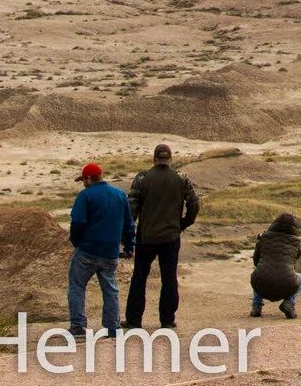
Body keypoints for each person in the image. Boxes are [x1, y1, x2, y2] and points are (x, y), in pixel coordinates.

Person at [123, 143, 202, 330]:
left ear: (154, 159)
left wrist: (127, 235)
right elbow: (194, 202)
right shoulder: (180, 178)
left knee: (139, 277)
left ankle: (134, 320)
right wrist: (184, 223)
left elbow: (131, 209)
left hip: (146, 236)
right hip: (171, 237)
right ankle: (167, 319)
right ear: (170, 159)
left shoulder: (142, 178)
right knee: (169, 278)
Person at [67, 162, 132, 339]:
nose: (83, 183)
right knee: (110, 290)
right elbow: (128, 223)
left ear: (89, 179)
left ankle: (78, 326)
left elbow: (78, 223)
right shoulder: (119, 194)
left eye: (83, 180)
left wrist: (76, 242)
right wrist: (129, 246)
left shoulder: (85, 196)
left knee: (77, 286)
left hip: (88, 251)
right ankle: (113, 328)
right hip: (110, 252)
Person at [249, 213, 301, 319]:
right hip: (287, 285)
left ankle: (256, 306)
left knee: (259, 273)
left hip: (261, 284)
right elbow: (297, 257)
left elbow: (256, 261)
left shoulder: (264, 238)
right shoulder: (296, 242)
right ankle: (289, 303)